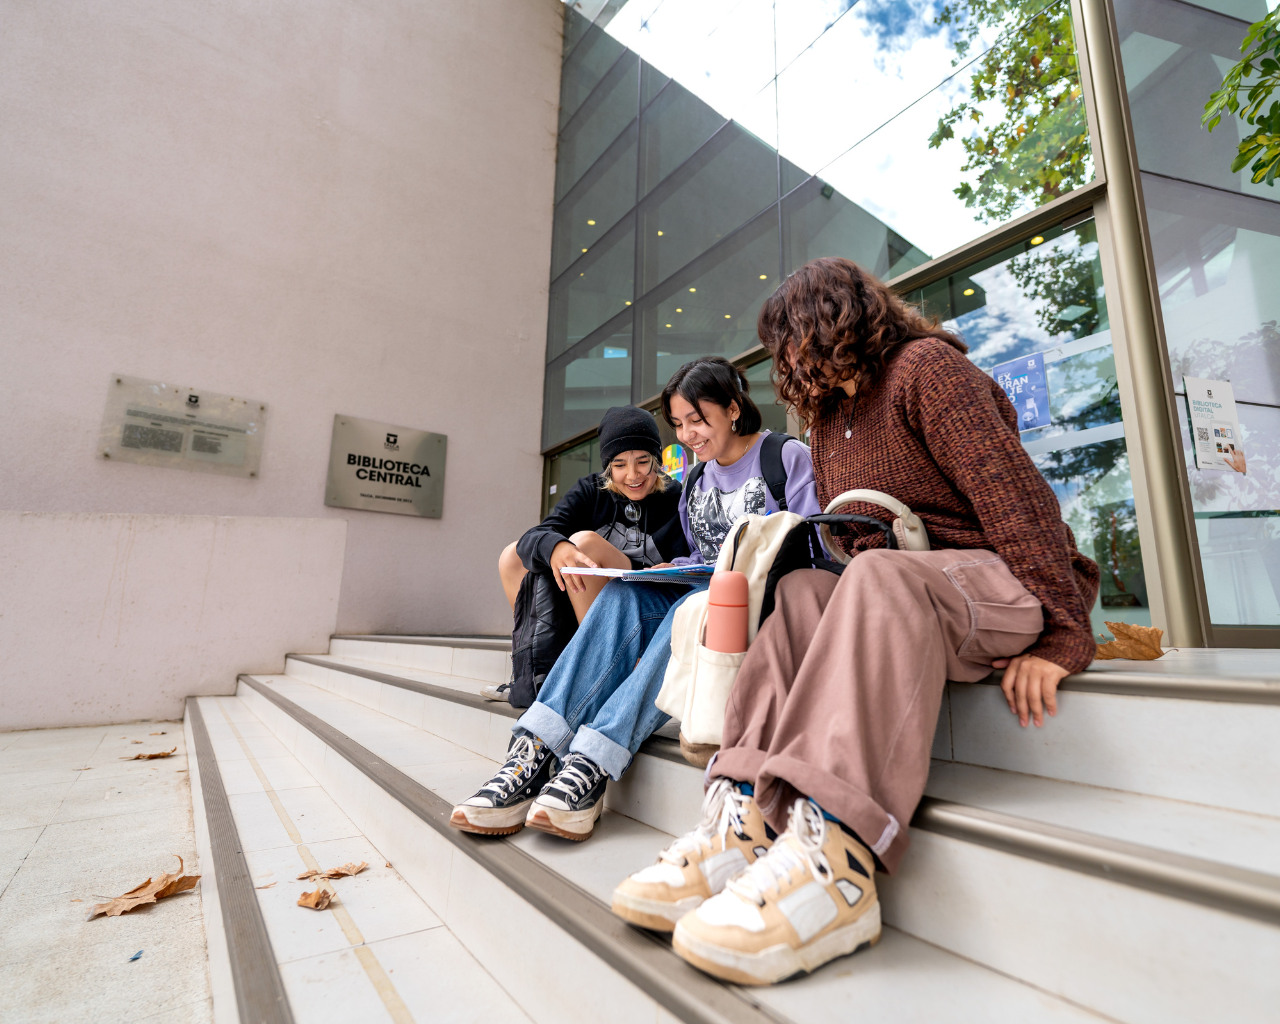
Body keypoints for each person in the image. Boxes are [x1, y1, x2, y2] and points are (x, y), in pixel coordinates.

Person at [611, 258, 1100, 986]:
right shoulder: (830, 419)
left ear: (832, 325)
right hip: (909, 593)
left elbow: (1017, 502)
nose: (786, 365)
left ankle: (838, 863)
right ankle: (745, 815)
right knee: (804, 589)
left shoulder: (928, 371)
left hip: (998, 578)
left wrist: (1064, 632)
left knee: (871, 574)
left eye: (790, 344)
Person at [451, 356, 820, 841]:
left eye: (698, 420)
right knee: (624, 595)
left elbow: (813, 545)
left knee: (689, 611)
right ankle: (534, 751)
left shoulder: (784, 455)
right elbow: (693, 550)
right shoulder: (696, 480)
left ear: (733, 409)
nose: (689, 435)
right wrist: (670, 566)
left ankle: (591, 762)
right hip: (699, 587)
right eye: (680, 424)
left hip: (753, 600)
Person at [485, 406, 686, 704]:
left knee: (585, 542)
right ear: (607, 467)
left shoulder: (676, 497)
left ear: (656, 461)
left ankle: (603, 670)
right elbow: (535, 536)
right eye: (619, 465)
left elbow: (691, 561)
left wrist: (676, 565)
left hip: (642, 603)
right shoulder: (591, 490)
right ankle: (536, 667)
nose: (633, 475)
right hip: (584, 605)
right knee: (512, 556)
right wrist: (557, 547)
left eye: (643, 461)